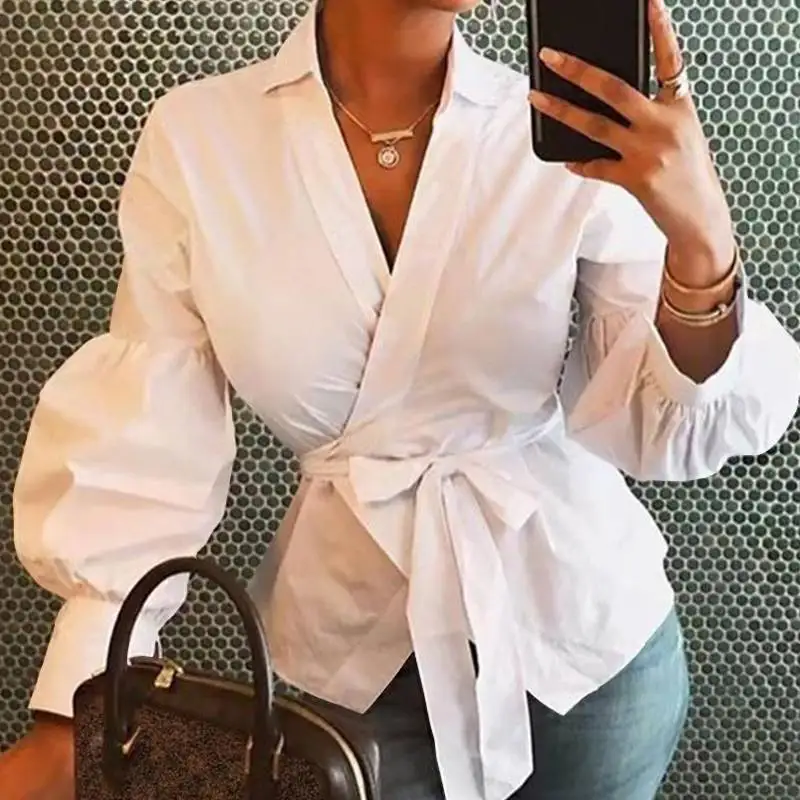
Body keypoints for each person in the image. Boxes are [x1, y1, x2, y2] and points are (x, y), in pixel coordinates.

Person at [2, 0, 799, 797]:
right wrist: (82, 710)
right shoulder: (201, 142)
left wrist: (702, 241)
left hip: (582, 653)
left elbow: (663, 420)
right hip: (351, 669)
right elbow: (150, 433)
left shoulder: (565, 130)